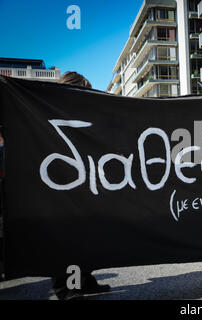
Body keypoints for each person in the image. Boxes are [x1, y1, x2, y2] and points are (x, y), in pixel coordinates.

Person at [51, 72, 112, 299]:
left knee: (86, 237)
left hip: (85, 183)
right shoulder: (48, 112)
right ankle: (66, 287)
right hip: (61, 185)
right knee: (67, 237)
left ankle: (84, 281)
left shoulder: (82, 112)